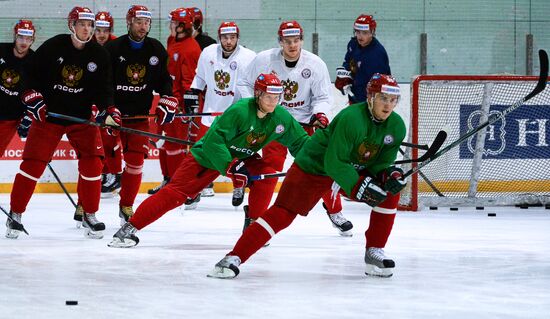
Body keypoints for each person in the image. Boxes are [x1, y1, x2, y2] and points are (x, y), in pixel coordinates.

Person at [209, 73, 407, 279]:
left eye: (393, 100)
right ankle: (233, 257)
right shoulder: (351, 118)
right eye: (383, 98)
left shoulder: (396, 126)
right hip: (315, 165)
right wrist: (360, 186)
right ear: (371, 97)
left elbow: (380, 162)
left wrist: (389, 173)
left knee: (388, 193)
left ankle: (374, 252)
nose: (388, 105)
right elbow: (334, 162)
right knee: (283, 213)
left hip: (349, 168)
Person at [108, 73, 308, 248]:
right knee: (175, 194)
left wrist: (316, 160)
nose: (273, 102)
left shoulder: (280, 117)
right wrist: (230, 167)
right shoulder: (240, 111)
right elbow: (214, 141)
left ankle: (254, 227)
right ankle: (129, 228)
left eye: (276, 97)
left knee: (267, 175)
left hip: (242, 157)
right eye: (268, 97)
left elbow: (300, 142)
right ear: (257, 94)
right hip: (208, 157)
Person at [6, 7, 114, 239]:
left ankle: (90, 214)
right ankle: (15, 213)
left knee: (94, 163)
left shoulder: (99, 55)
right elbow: (29, 75)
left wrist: (108, 109)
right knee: (33, 164)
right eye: (82, 24)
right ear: (71, 25)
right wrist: (30, 95)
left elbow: (104, 89)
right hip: (49, 116)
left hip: (81, 118)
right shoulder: (54, 46)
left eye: (90, 25)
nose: (87, 29)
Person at [237, 20, 353, 236]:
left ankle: (334, 210)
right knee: (269, 170)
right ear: (280, 42)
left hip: (304, 125)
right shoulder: (264, 59)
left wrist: (320, 114)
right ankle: (254, 217)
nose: (292, 45)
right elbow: (244, 83)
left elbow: (322, 97)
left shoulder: (315, 64)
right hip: (274, 123)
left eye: (296, 40)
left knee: (320, 167)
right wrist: (256, 107)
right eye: (287, 41)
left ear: (302, 40)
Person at [101, 4, 178, 227]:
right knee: (97, 161)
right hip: (112, 114)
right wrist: (106, 107)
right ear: (129, 22)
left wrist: (167, 98)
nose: (143, 27)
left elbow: (164, 79)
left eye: (146, 22)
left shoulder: (156, 49)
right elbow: (104, 82)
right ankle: (85, 203)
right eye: (138, 22)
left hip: (139, 117)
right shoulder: (113, 49)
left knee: (135, 163)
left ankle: (126, 205)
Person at [182, 21, 256, 209]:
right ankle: (194, 190)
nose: (229, 41)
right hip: (211, 115)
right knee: (200, 155)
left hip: (236, 119)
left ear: (238, 38)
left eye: (232, 37)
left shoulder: (249, 58)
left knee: (237, 156)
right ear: (219, 38)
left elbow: (251, 89)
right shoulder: (208, 52)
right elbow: (200, 77)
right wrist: (193, 92)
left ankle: (238, 184)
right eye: (225, 37)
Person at [147, 8, 201, 201]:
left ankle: (182, 186)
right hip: (166, 101)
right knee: (163, 142)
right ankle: (168, 179)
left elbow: (190, 82)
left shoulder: (191, 49)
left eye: (172, 23)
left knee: (176, 146)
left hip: (177, 106)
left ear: (182, 26)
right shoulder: (172, 41)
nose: (169, 26)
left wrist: (184, 108)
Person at [92, 11, 122, 197]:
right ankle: (105, 173)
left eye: (105, 30)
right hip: (95, 98)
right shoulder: (89, 44)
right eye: (98, 30)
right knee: (97, 137)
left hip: (114, 99)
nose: (101, 34)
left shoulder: (117, 46)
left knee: (111, 136)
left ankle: (116, 174)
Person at [335, 14, 390, 104]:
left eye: (364, 33)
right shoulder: (353, 44)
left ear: (372, 32)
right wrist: (344, 78)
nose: (360, 36)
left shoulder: (378, 54)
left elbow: (381, 83)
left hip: (371, 102)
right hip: (354, 97)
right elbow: (348, 62)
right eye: (358, 32)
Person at [0, 20, 35, 157]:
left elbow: (37, 92)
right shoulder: (1, 50)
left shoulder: (35, 62)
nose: (24, 42)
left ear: (33, 40)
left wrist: (28, 116)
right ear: (15, 36)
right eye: (21, 37)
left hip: (11, 117)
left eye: (28, 38)